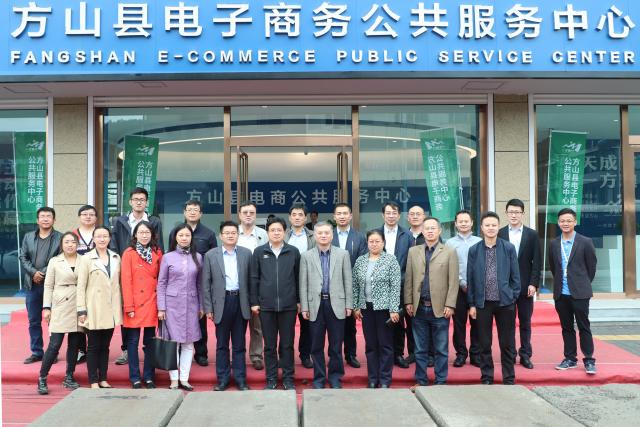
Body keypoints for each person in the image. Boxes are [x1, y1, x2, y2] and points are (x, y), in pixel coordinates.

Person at [110, 187, 164, 366]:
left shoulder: (154, 221)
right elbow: (114, 245)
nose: (139, 202)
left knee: (149, 324)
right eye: (136, 199)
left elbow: (159, 246)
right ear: (130, 202)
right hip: (127, 269)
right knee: (128, 310)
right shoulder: (120, 221)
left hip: (148, 273)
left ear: (147, 202)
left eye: (142, 199)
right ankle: (126, 349)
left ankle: (148, 360)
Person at [467, 212, 520, 385]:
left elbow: (515, 277)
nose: (491, 228)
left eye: (494, 225)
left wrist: (512, 296)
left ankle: (509, 377)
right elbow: (470, 278)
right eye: (487, 225)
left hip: (505, 303)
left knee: (507, 343)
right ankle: (487, 376)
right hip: (483, 304)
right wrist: (472, 304)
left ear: (498, 227)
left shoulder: (508, 248)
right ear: (481, 228)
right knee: (484, 343)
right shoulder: (474, 250)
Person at [405, 217, 458, 386]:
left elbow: (453, 281)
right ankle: (421, 380)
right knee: (420, 349)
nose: (429, 231)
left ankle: (440, 381)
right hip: (419, 307)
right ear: (422, 231)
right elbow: (409, 279)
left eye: (433, 228)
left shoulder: (449, 251)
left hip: (440, 308)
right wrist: (408, 301)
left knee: (441, 349)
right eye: (426, 228)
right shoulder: (413, 251)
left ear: (439, 231)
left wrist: (450, 304)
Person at [300, 222, 353, 389]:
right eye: (320, 233)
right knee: (316, 346)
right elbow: (303, 283)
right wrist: (305, 307)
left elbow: (348, 281)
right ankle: (319, 379)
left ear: (332, 235)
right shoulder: (306, 256)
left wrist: (349, 304)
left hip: (336, 304)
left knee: (336, 345)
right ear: (315, 236)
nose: (323, 236)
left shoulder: (343, 254)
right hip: (315, 305)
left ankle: (336, 378)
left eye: (326, 233)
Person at [250, 217, 301, 390]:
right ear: (267, 232)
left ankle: (288, 378)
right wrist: (254, 301)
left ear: (285, 232)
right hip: (266, 307)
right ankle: (271, 379)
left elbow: (298, 278)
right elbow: (254, 278)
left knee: (287, 345)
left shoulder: (293, 252)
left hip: (288, 306)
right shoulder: (259, 252)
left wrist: (298, 300)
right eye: (272, 230)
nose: (276, 233)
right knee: (269, 346)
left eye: (279, 230)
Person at [201, 221, 252, 391]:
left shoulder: (246, 254)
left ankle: (240, 379)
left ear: (238, 235)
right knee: (222, 344)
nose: (230, 235)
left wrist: (253, 303)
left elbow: (251, 281)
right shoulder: (210, 255)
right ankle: (222, 379)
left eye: (233, 232)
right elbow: (205, 284)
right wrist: (208, 308)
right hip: (221, 304)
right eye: (227, 233)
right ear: (220, 236)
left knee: (239, 344)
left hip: (240, 302)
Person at [548, 208, 597, 375]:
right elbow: (554, 267)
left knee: (584, 326)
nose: (565, 223)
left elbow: (591, 268)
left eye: (569, 220)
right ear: (558, 223)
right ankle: (570, 358)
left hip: (580, 293)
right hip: (561, 294)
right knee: (566, 327)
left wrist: (582, 283)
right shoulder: (554, 243)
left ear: (575, 222)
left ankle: (589, 359)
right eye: (562, 221)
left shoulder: (585, 242)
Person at [168, 200, 217, 367]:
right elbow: (171, 255)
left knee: (199, 320)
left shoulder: (209, 234)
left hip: (199, 282)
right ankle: (179, 352)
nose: (192, 212)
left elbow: (213, 259)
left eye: (196, 210)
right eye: (189, 209)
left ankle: (201, 353)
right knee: (178, 320)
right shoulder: (176, 231)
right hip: (179, 283)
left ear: (201, 213)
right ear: (184, 212)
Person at [352, 230, 401, 388]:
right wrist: (356, 306)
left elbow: (395, 287)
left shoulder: (390, 260)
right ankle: (373, 378)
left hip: (384, 309)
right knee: (371, 345)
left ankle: (385, 379)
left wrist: (394, 309)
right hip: (366, 308)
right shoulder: (360, 261)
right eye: (371, 241)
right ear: (367, 243)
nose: (374, 244)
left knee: (385, 345)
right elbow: (355, 285)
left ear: (383, 243)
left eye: (377, 241)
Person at [157, 224, 203, 390]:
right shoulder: (168, 257)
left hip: (191, 304)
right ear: (175, 237)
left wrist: (201, 306)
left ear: (191, 238)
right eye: (181, 235)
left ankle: (184, 378)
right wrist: (161, 307)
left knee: (188, 344)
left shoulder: (198, 257)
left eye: (187, 235)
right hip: (172, 306)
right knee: (174, 342)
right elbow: (161, 283)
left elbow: (200, 284)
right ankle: (174, 379)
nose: (184, 238)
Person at [498, 199, 542, 370]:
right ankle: (509, 355)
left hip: (526, 287)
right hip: (506, 287)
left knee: (525, 322)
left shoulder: (532, 234)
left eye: (517, 212)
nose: (514, 215)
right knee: (507, 324)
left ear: (523, 213)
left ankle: (525, 355)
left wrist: (534, 283)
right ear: (506, 213)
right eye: (511, 212)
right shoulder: (500, 233)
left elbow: (537, 261)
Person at [37, 232, 83, 395]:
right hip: (60, 305)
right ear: (62, 245)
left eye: (73, 242)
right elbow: (48, 285)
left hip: (79, 305)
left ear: (78, 244)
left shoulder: (84, 260)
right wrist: (46, 307)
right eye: (67, 242)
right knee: (54, 344)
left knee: (74, 345)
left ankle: (69, 376)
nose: (70, 245)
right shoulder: (55, 261)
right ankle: (42, 377)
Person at [77, 226, 122, 389]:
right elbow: (81, 286)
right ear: (94, 239)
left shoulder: (116, 257)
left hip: (111, 308)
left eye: (105, 236)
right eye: (98, 236)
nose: (102, 239)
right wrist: (81, 309)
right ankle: (93, 380)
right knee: (93, 346)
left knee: (105, 347)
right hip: (93, 308)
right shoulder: (86, 259)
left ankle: (103, 378)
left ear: (109, 238)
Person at [121, 221, 162, 389]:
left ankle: (149, 376)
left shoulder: (157, 252)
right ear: (135, 235)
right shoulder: (129, 253)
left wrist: (161, 305)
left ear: (152, 234)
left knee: (150, 342)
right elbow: (126, 281)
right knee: (132, 342)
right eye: (141, 232)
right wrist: (128, 307)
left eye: (147, 232)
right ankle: (135, 377)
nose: (144, 235)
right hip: (135, 303)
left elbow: (161, 279)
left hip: (152, 301)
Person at [19, 206, 62, 364]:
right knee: (34, 321)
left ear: (54, 219)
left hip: (52, 285)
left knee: (53, 320)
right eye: (42, 216)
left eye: (48, 216)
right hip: (32, 285)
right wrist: (33, 273)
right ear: (37, 220)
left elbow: (59, 258)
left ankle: (52, 352)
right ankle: (36, 352)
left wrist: (41, 273)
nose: (45, 219)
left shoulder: (60, 237)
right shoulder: (28, 236)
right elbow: (23, 257)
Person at [377, 202, 412, 369]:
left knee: (398, 321)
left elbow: (411, 261)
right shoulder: (376, 233)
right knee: (381, 320)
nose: (391, 216)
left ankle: (398, 354)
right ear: (383, 215)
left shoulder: (407, 235)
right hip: (380, 284)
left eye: (394, 213)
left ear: (399, 215)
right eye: (388, 213)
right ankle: (383, 354)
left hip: (401, 284)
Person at [332, 203, 367, 369]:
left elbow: (362, 262)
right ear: (334, 216)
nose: (342, 216)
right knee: (333, 324)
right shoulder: (328, 235)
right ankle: (334, 355)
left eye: (345, 213)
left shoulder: (359, 237)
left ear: (351, 216)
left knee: (350, 325)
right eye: (339, 213)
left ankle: (350, 354)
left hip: (351, 287)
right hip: (330, 287)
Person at [445, 210, 482, 368]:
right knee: (458, 324)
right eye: (460, 221)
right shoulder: (449, 243)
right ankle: (461, 354)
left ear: (472, 222)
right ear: (456, 224)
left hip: (477, 288)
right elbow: (448, 266)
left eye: (466, 221)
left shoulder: (479, 241)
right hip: (458, 289)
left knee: (477, 323)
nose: (463, 224)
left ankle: (475, 354)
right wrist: (461, 282)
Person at [237, 201, 269, 371]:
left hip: (258, 285)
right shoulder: (233, 232)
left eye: (252, 212)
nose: (248, 215)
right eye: (245, 212)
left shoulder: (263, 234)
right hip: (237, 285)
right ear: (239, 215)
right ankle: (238, 355)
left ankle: (256, 356)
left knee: (257, 325)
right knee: (237, 325)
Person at [284, 203, 315, 369]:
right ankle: (284, 356)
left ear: (305, 217)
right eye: (294, 214)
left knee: (307, 324)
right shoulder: (282, 235)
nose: (297, 217)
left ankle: (305, 355)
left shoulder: (313, 236)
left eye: (300, 214)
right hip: (286, 284)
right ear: (290, 218)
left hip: (308, 285)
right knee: (285, 325)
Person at [406, 205, 433, 366]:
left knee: (428, 322)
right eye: (412, 214)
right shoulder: (404, 235)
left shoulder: (430, 235)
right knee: (411, 321)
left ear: (424, 216)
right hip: (407, 284)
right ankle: (412, 352)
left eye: (418, 214)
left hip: (426, 287)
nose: (415, 216)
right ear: (407, 217)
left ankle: (430, 354)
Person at [72, 204, 98, 364]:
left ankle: (95, 349)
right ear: (79, 217)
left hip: (96, 282)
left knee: (94, 315)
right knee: (79, 316)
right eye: (84, 214)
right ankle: (81, 349)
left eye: (91, 214)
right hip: (77, 281)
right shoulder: (73, 235)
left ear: (96, 218)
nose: (88, 217)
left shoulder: (101, 233)